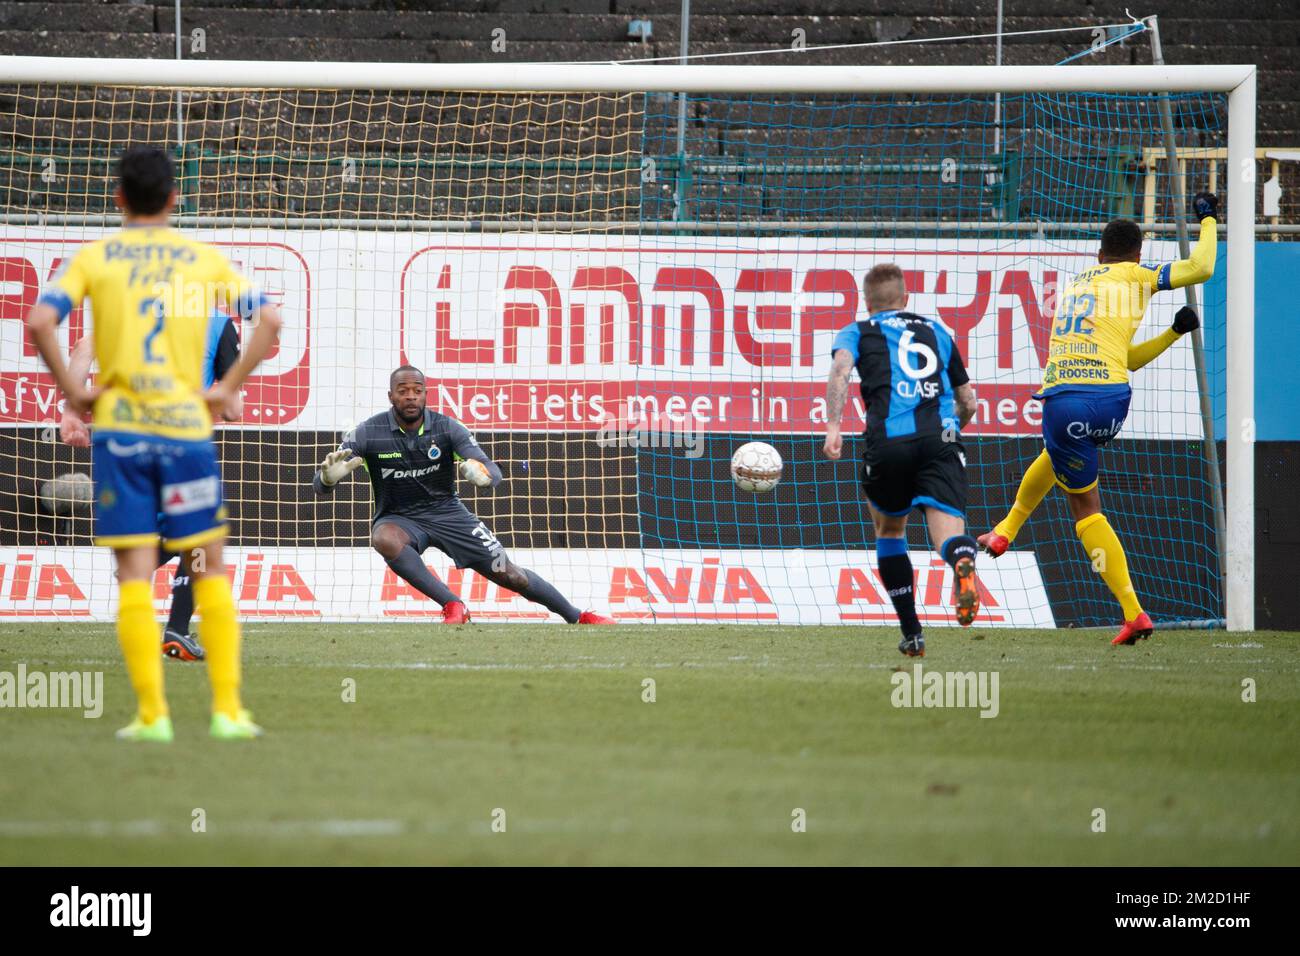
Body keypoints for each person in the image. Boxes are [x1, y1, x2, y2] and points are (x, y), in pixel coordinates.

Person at [25, 144, 282, 741]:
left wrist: (73, 394)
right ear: (174, 199)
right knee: (208, 565)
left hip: (120, 430)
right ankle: (227, 712)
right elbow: (269, 320)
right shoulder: (200, 259)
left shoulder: (97, 258)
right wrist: (225, 390)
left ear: (117, 198)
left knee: (134, 574)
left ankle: (152, 716)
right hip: (184, 427)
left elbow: (41, 322)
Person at [978, 194, 1218, 646]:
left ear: (1099, 254)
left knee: (1085, 507)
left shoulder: (1077, 284)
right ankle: (1006, 530)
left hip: (1066, 402)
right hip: (1112, 403)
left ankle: (1133, 613)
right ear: (1138, 254)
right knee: (1060, 454)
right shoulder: (1140, 275)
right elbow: (1198, 272)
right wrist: (1207, 220)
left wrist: (1207, 218)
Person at [313, 365, 615, 626]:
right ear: (390, 396)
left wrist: (483, 476)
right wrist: (327, 479)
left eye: (417, 390)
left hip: (449, 514)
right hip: (400, 518)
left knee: (511, 575)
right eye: (402, 390)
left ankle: (577, 616)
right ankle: (453, 605)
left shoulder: (447, 429)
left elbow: (492, 470)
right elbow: (321, 482)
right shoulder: (368, 432)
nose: (410, 396)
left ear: (425, 394)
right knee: (384, 538)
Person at [60, 311, 244, 661]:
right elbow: (234, 409)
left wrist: (70, 413)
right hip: (179, 444)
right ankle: (175, 628)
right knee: (200, 537)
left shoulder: (130, 307)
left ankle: (145, 568)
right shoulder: (216, 323)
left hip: (123, 444)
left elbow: (85, 346)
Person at [823, 263, 980, 657]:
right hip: (940, 440)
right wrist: (950, 432)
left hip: (889, 443)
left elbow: (841, 370)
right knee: (947, 532)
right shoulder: (939, 332)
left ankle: (912, 633)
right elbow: (968, 401)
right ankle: (962, 560)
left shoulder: (858, 330)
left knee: (891, 532)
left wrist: (833, 426)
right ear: (906, 298)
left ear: (866, 302)